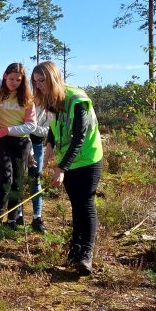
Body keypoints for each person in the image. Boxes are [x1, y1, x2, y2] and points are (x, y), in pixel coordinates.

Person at [32, 61, 103, 275]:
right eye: (35, 82)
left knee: (86, 204)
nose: (39, 85)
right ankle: (76, 249)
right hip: (68, 160)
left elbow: (80, 136)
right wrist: (50, 145)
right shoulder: (50, 101)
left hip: (88, 159)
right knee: (75, 204)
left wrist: (62, 168)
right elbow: (54, 125)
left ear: (53, 78)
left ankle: (85, 256)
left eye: (42, 80)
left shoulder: (77, 99)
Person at [0, 63, 36, 232]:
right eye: (11, 78)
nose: (14, 82)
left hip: (21, 143)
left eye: (18, 80)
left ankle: (12, 220)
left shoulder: (27, 99)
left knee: (17, 182)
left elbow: (31, 126)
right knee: (5, 178)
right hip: (0, 142)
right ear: (5, 76)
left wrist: (7, 130)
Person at [28, 99, 51, 233]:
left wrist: (29, 126)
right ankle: (17, 216)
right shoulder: (25, 101)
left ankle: (37, 217)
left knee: (35, 180)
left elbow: (46, 130)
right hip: (21, 143)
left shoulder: (50, 108)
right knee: (17, 180)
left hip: (37, 146)